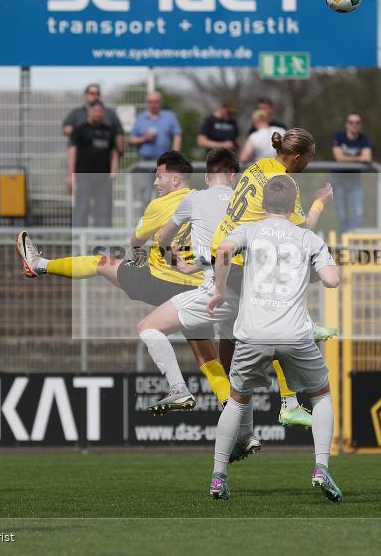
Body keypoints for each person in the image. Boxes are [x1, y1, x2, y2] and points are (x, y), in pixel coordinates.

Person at [16, 151, 229, 405]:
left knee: (101, 262)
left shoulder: (160, 205)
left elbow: (136, 239)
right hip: (199, 289)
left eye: (160, 176)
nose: (155, 182)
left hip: (159, 282)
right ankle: (233, 413)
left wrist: (138, 252)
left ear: (175, 179)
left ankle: (39, 265)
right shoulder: (203, 200)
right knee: (209, 359)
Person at [205, 176, 342, 502]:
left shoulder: (249, 231)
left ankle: (218, 477)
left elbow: (222, 251)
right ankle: (321, 468)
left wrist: (220, 290)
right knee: (321, 394)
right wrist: (313, 268)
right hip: (294, 333)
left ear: (263, 204)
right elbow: (332, 280)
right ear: (295, 206)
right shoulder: (307, 237)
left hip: (253, 333)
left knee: (237, 401)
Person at [210, 128, 335, 428]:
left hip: (222, 249)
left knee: (244, 332)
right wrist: (320, 202)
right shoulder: (284, 182)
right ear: (297, 157)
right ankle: (289, 403)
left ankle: (251, 416)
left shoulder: (258, 165)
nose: (309, 163)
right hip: (236, 259)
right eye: (309, 158)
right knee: (278, 322)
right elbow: (301, 228)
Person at [136, 148, 240, 413]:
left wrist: (176, 261)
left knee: (148, 327)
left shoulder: (194, 200)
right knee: (238, 380)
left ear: (206, 177)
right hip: (250, 294)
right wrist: (195, 265)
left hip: (217, 291)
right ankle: (282, 405)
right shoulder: (247, 202)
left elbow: (162, 238)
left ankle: (178, 390)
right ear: (233, 177)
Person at [69, 101, 119, 228]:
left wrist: (114, 170)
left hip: (104, 178)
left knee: (104, 210)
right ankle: (80, 237)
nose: (98, 113)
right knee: (82, 207)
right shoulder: (80, 129)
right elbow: (72, 151)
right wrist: (70, 175)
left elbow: (114, 152)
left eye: (100, 111)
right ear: (89, 112)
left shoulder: (109, 130)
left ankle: (103, 239)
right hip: (84, 176)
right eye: (95, 110)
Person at [130, 91, 182, 202]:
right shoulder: (140, 118)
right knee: (146, 193)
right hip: (145, 161)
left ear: (161, 102)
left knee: (165, 192)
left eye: (156, 102)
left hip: (164, 161)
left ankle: (163, 213)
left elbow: (177, 134)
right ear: (147, 103)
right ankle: (146, 213)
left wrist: (174, 155)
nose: (153, 104)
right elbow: (132, 140)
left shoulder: (169, 116)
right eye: (150, 102)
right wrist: (144, 138)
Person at [331, 113, 372, 233]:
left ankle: (355, 240)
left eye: (357, 122)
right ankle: (345, 240)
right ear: (347, 124)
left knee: (358, 213)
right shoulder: (339, 136)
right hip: (339, 180)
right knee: (342, 214)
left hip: (355, 182)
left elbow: (367, 157)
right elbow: (339, 158)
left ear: (360, 125)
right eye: (351, 122)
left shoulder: (363, 138)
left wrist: (347, 158)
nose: (354, 125)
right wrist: (359, 159)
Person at [61, 83, 124, 156]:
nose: (95, 95)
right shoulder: (76, 113)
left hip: (104, 156)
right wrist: (83, 131)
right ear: (85, 95)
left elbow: (119, 132)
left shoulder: (109, 113)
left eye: (97, 93)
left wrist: (120, 152)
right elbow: (65, 130)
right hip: (81, 156)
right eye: (92, 93)